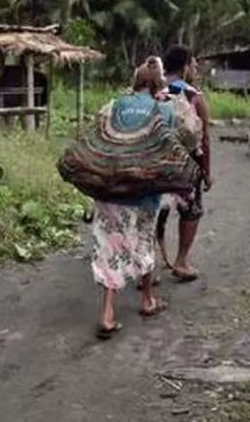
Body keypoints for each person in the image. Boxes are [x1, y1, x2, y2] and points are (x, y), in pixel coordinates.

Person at [87, 58, 171, 341]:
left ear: (135, 81)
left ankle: (108, 314)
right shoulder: (164, 108)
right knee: (143, 241)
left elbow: (99, 135)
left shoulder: (116, 104)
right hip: (144, 189)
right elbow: (169, 145)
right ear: (158, 82)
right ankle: (147, 300)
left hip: (111, 187)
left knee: (111, 246)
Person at [157, 44, 212, 282]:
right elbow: (204, 138)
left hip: (152, 163)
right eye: (194, 63)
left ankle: (147, 269)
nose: (196, 68)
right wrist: (207, 171)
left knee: (153, 212)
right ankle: (181, 261)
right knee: (190, 211)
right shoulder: (192, 96)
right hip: (185, 167)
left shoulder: (152, 89)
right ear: (186, 65)